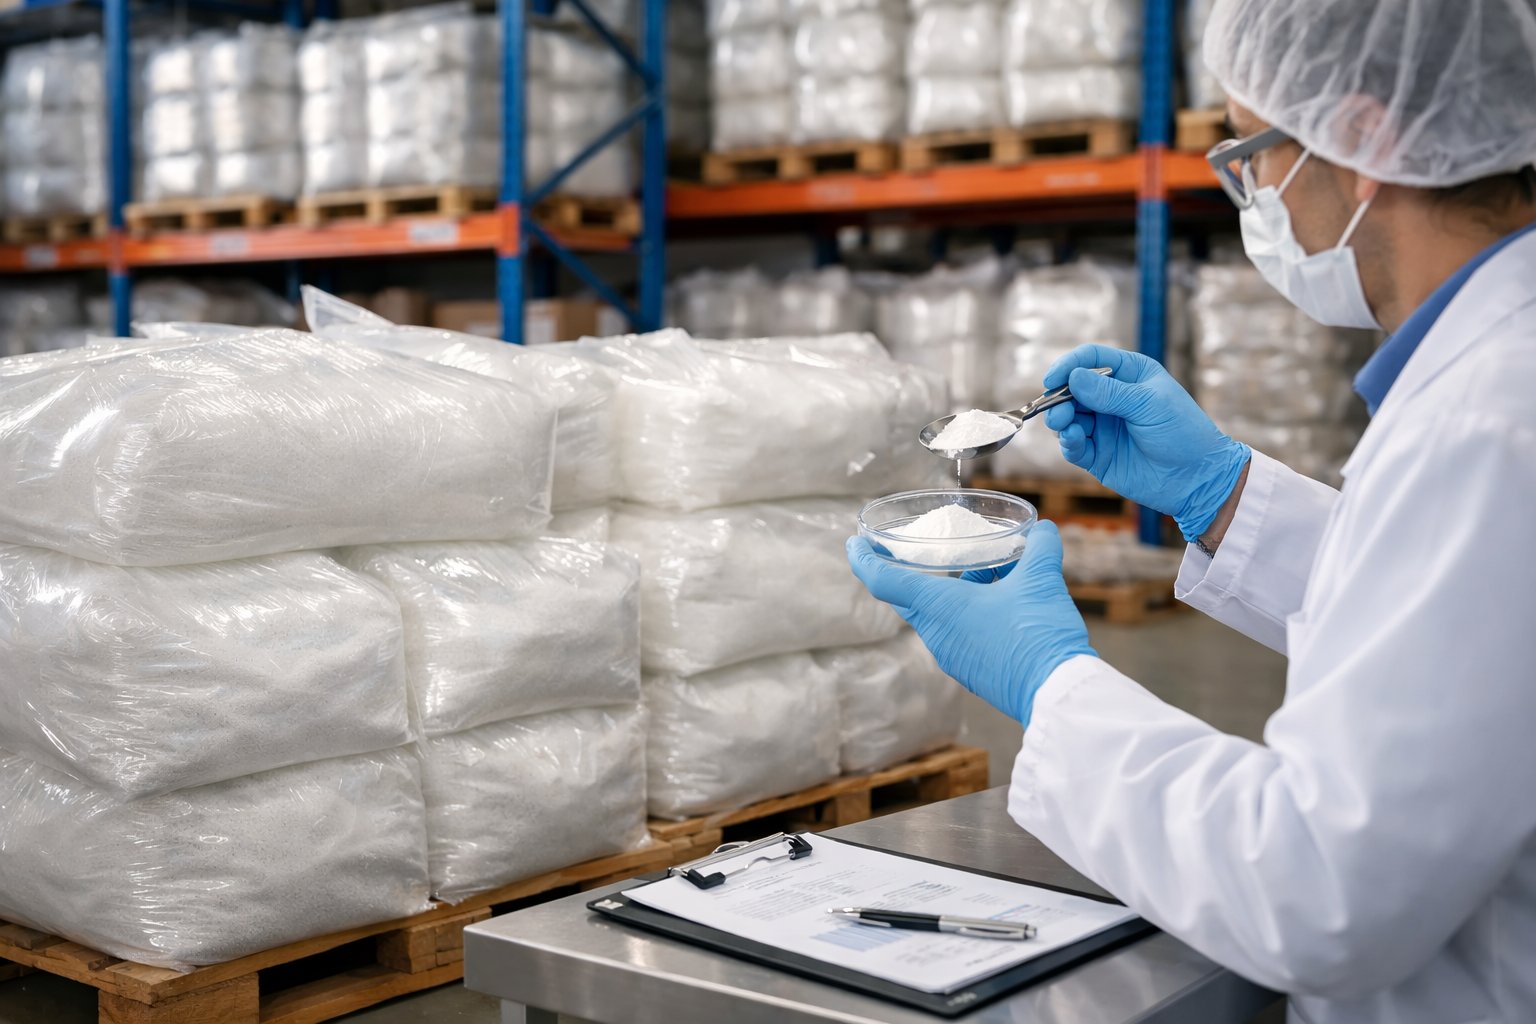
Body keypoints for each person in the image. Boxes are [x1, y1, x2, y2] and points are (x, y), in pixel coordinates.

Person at [846, 1, 1536, 1021]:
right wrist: (1222, 492)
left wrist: (1053, 682)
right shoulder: (1487, 377)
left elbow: (1318, 887)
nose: (1252, 197)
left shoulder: (1488, 425)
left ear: (1370, 142)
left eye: (1253, 154)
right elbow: (1461, 614)